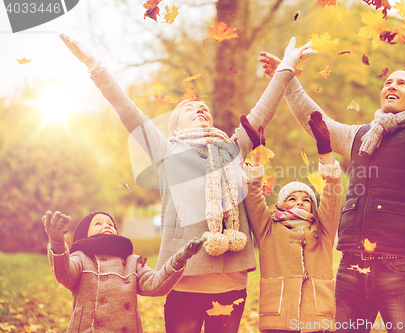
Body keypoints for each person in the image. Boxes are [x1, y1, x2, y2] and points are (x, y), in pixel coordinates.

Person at [59, 34, 315, 333]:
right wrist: (95, 66)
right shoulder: (167, 151)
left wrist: (286, 65)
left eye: (204, 107)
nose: (200, 109)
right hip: (183, 281)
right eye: (189, 108)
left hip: (231, 282)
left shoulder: (233, 149)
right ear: (176, 126)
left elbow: (263, 112)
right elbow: (128, 111)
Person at [259, 40, 405, 332]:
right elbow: (316, 122)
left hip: (399, 269)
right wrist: (285, 77)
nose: (392, 86)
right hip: (351, 267)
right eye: (388, 82)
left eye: (402, 83)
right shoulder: (360, 136)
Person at [241, 112, 342, 333]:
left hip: (316, 317)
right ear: (280, 205)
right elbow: (253, 196)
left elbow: (332, 195)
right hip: (278, 317)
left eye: (306, 199)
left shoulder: (322, 229)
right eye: (292, 199)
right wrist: (258, 155)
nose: (300, 202)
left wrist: (325, 150)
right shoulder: (268, 229)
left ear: (313, 207)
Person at [42, 209, 204, 333]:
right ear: (84, 234)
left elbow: (156, 285)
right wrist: (57, 242)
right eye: (97, 223)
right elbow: (65, 275)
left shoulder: (131, 261)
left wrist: (180, 259)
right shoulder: (81, 258)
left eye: (110, 224)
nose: (106, 225)